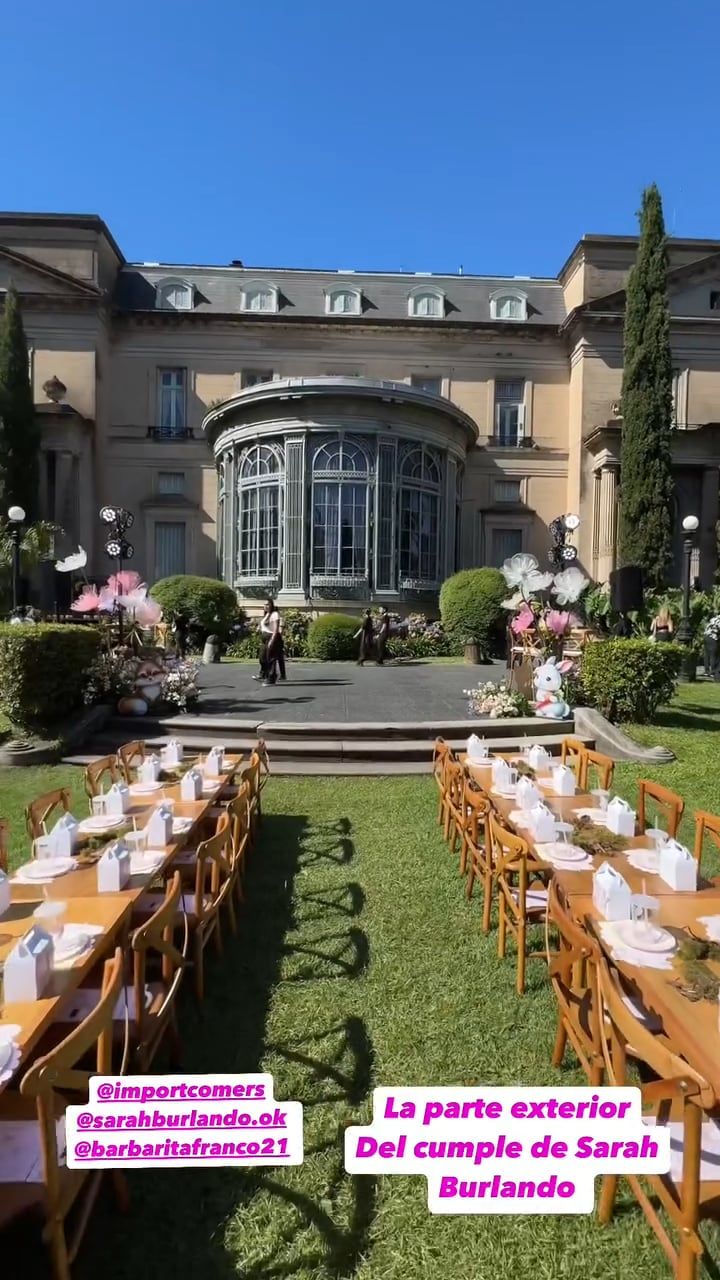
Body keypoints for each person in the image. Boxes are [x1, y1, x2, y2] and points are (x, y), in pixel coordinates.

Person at [262, 598, 286, 686]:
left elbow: (277, 629)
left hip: (274, 637)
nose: (265, 606)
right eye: (264, 605)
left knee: (274, 658)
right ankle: (265, 674)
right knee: (263, 658)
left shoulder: (275, 614)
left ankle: (272, 677)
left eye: (268, 604)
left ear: (272, 605)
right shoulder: (266, 614)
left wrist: (272, 640)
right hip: (266, 638)